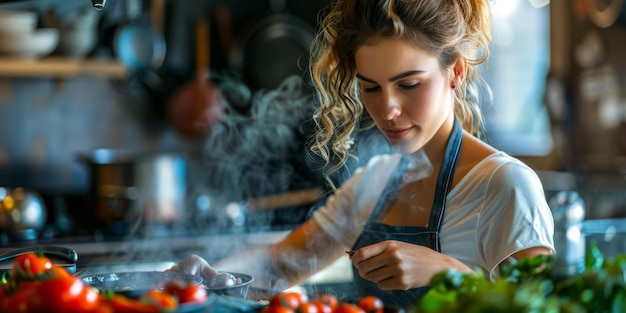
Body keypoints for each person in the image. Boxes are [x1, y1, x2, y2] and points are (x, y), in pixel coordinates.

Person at [170, 0, 555, 308]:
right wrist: (210, 277)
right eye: (371, 88)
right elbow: (278, 265)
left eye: (408, 84)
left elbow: (544, 306)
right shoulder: (377, 180)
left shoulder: (504, 186)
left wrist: (450, 274)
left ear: (455, 71)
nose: (387, 110)